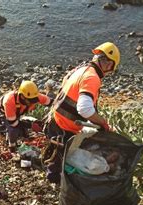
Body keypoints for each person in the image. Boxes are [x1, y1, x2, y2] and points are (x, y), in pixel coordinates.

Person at [44, 42, 120, 184]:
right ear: (109, 64)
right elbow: (84, 109)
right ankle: (57, 185)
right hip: (64, 127)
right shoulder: (92, 78)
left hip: (55, 119)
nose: (109, 72)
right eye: (111, 68)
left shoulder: (80, 69)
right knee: (59, 160)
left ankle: (53, 178)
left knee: (57, 155)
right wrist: (102, 122)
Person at [0, 80, 52, 152]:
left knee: (24, 134)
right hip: (4, 112)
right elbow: (13, 123)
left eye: (34, 100)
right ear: (22, 96)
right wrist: (31, 125)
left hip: (17, 113)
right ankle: (12, 148)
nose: (32, 103)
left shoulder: (33, 96)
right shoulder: (9, 102)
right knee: (13, 130)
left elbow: (51, 102)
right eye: (30, 101)